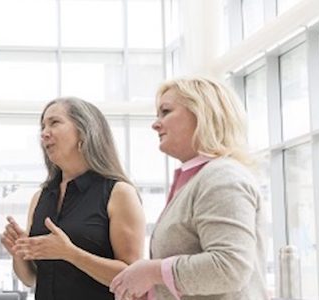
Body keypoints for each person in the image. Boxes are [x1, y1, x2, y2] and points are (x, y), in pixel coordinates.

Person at [110, 76, 267, 300]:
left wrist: (152, 271)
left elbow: (230, 267)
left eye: (166, 111)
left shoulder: (222, 177)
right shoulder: (199, 178)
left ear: (202, 113)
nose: (155, 124)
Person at [0, 97, 145, 299]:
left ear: (84, 131)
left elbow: (132, 277)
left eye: (54, 122)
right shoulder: (40, 198)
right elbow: (32, 278)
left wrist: (70, 253)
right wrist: (19, 253)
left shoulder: (119, 193)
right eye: (42, 126)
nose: (44, 133)